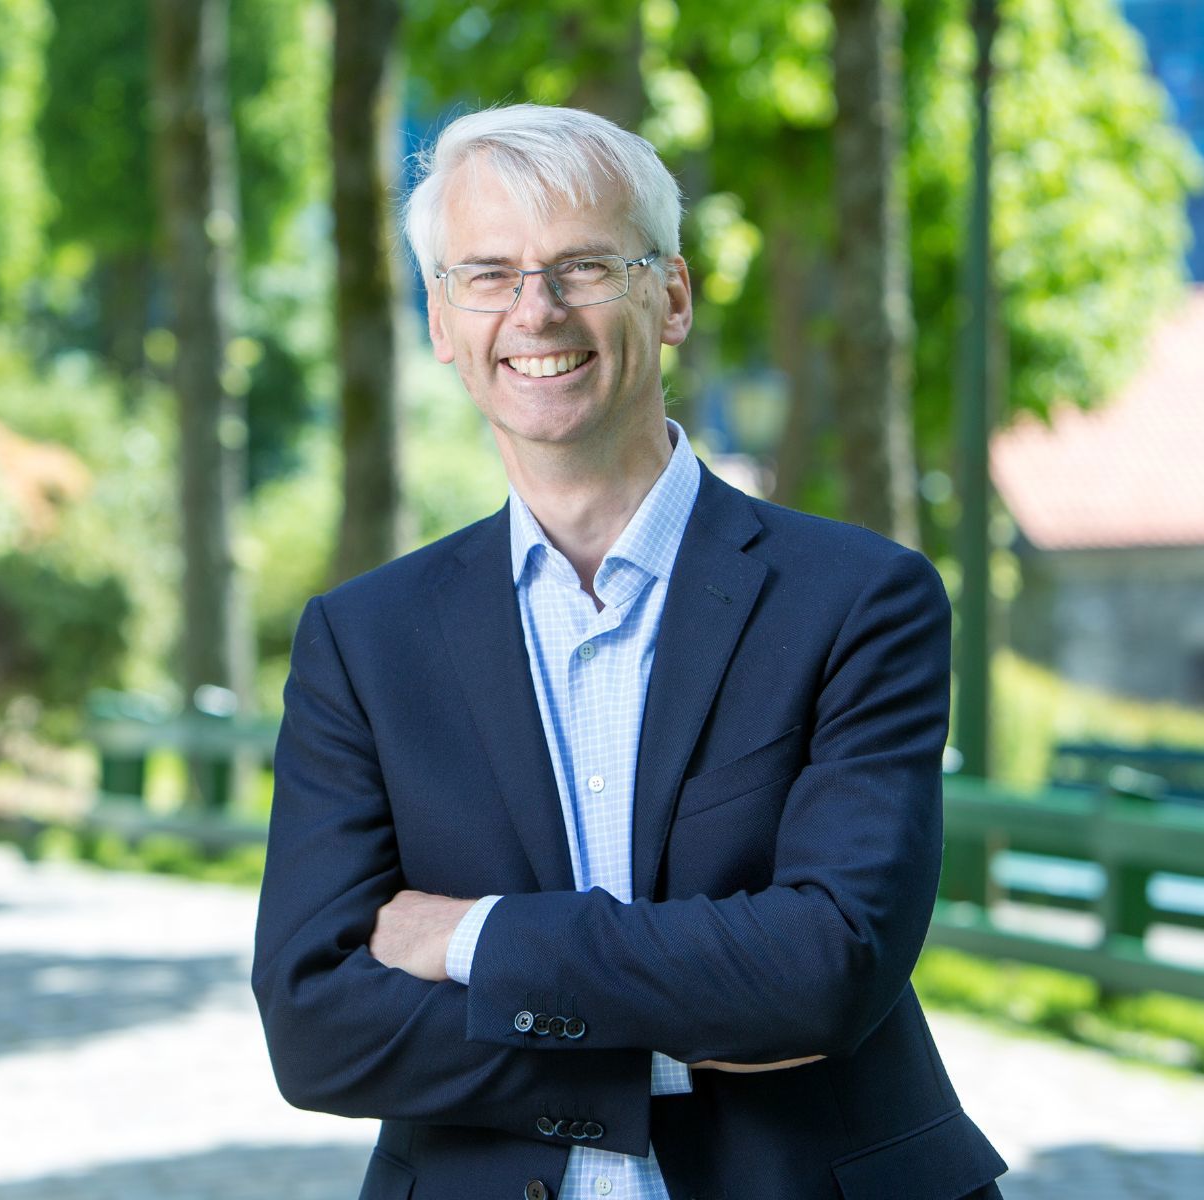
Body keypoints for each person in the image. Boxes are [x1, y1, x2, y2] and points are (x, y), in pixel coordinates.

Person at [249, 103, 1005, 1200]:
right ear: (441, 322)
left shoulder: (861, 602)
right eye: (489, 274)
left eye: (584, 265)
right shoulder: (365, 642)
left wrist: (474, 937)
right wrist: (668, 1037)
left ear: (674, 296)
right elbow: (315, 1027)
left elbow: (828, 968)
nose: (536, 310)